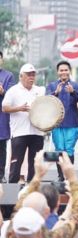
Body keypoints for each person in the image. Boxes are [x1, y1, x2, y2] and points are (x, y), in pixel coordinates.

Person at [2, 63, 44, 183]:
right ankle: (12, 190)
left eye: (33, 75)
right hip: (19, 132)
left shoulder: (40, 91)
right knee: (16, 162)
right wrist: (19, 108)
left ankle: (32, 189)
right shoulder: (13, 90)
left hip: (37, 132)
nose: (31, 77)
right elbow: (4, 108)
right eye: (28, 75)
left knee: (35, 164)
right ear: (21, 76)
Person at [46, 61, 78, 181]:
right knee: (59, 149)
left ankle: (69, 175)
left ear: (69, 71)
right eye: (61, 70)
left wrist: (73, 92)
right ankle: (60, 176)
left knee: (69, 149)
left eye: (66, 70)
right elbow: (46, 101)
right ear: (58, 72)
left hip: (72, 122)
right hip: (57, 123)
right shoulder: (52, 86)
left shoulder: (76, 85)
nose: (63, 72)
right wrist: (56, 93)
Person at [0, 51, 15, 183]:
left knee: (1, 146)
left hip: (2, 116)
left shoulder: (8, 76)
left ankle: (1, 174)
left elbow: (11, 96)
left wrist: (2, 91)